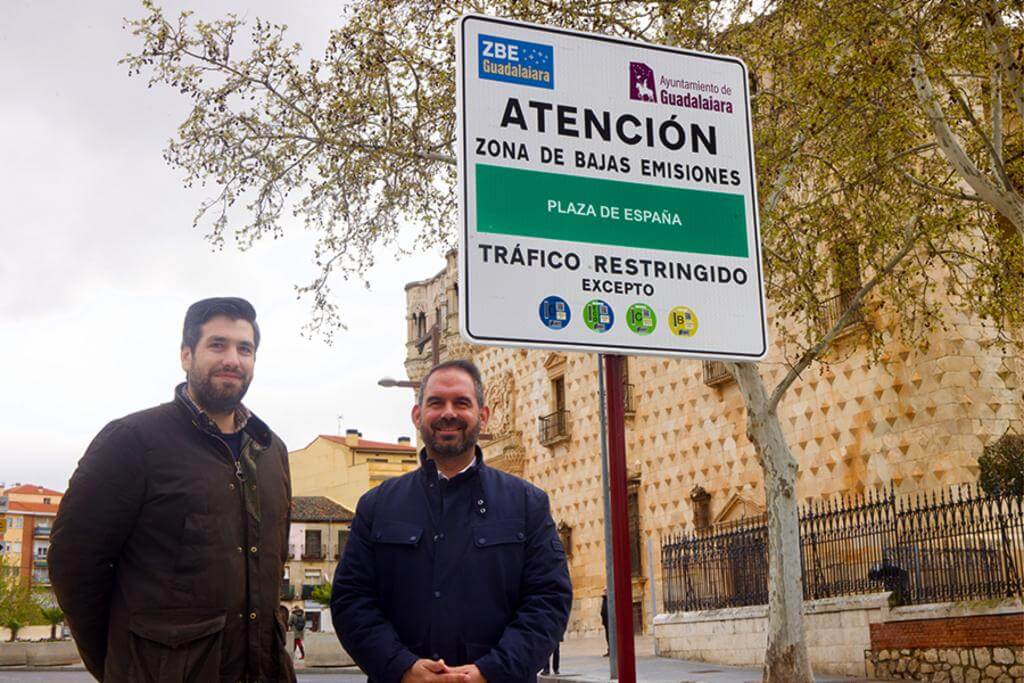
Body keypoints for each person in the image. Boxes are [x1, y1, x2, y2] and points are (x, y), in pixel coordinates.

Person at [48, 297, 295, 683]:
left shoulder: (270, 450)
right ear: (186, 355)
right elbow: (73, 566)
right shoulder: (132, 441)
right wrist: (124, 665)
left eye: (244, 349)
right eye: (218, 344)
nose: (233, 358)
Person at [331, 359, 572, 683]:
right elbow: (351, 601)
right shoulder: (377, 506)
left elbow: (548, 600)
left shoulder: (527, 503)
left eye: (461, 402)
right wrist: (403, 668)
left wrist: (491, 672)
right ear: (417, 416)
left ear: (483, 416)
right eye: (435, 403)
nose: (448, 413)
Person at [600, 593, 609, 657]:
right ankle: (610, 650)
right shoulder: (604, 599)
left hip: (609, 622)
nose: (604, 592)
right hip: (606, 622)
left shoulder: (610, 599)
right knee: (608, 637)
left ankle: (612, 650)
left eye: (605, 590)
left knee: (610, 637)